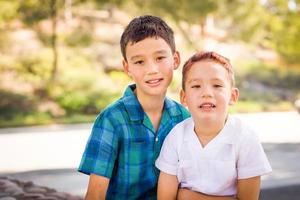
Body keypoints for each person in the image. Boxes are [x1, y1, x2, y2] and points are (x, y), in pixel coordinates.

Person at [78, 15, 190, 199]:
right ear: (127, 67)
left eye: (160, 57)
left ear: (175, 59)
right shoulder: (112, 120)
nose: (151, 69)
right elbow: (95, 195)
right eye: (139, 62)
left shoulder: (183, 118)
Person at [155, 51, 272, 200]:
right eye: (196, 86)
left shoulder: (245, 139)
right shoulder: (176, 136)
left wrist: (189, 197)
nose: (207, 93)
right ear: (183, 97)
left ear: (233, 96)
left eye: (217, 85)